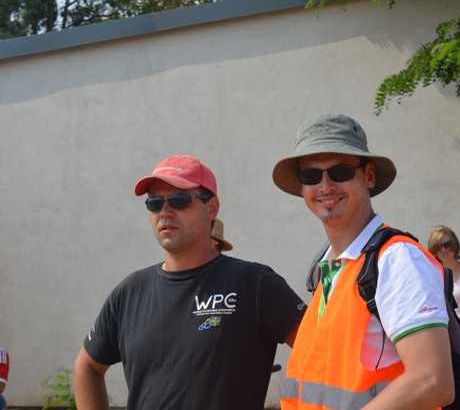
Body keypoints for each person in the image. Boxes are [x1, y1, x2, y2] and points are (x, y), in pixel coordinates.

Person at [74, 155, 307, 410]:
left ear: (212, 208)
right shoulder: (129, 292)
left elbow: (321, 353)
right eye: (154, 203)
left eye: (179, 200)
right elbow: (87, 367)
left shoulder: (255, 284)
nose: (165, 211)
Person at [273, 113, 454, 409]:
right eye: (311, 176)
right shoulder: (328, 269)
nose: (325, 185)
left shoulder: (396, 259)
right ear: (302, 187)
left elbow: (432, 381)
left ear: (369, 176)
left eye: (341, 171)